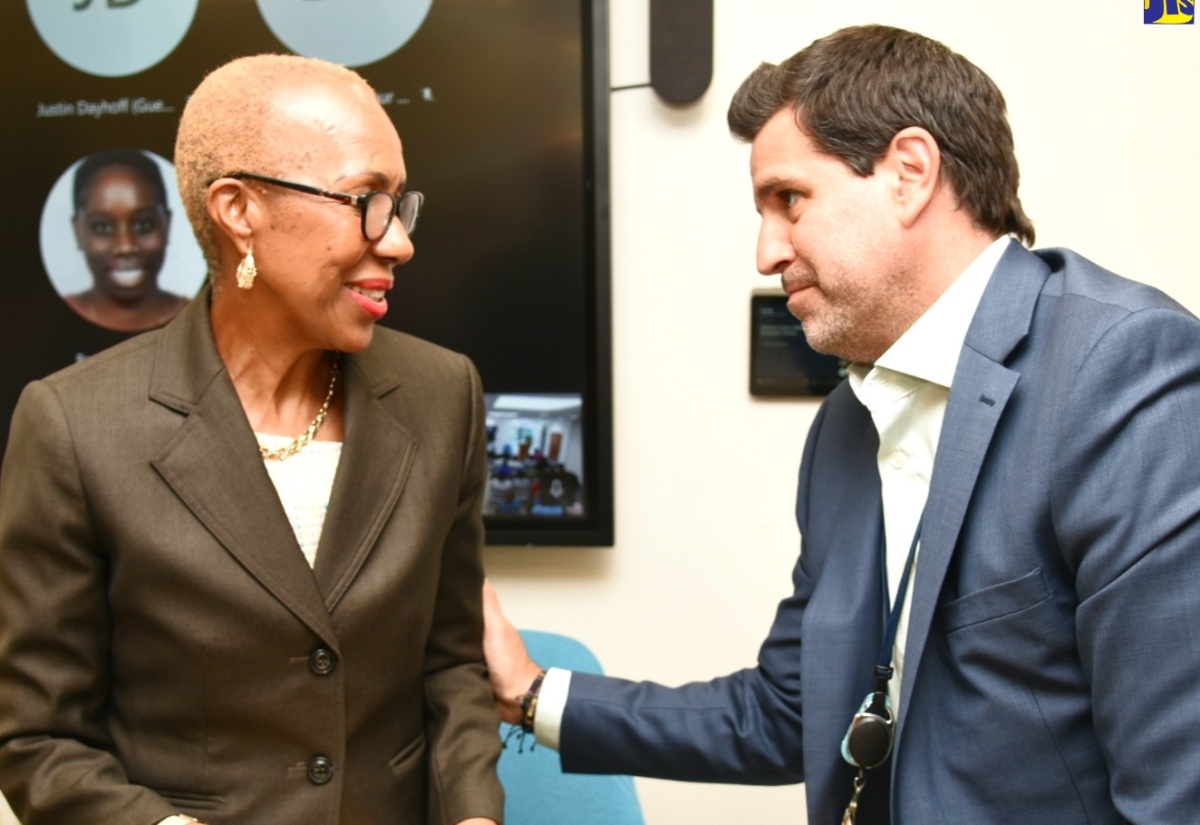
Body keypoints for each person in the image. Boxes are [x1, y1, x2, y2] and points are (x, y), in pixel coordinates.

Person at [482, 23, 1200, 825]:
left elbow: (1179, 789)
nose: (765, 250)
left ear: (909, 173)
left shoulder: (1124, 370)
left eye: (789, 200)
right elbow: (790, 711)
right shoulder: (845, 426)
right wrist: (531, 693)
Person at [0, 55, 503, 825]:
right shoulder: (72, 424)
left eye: (400, 204)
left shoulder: (444, 395)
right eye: (367, 200)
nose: (398, 240)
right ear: (239, 210)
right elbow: (40, 740)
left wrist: (473, 813)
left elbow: (451, 665)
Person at [65, 148, 191, 332]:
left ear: (167, 224)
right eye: (102, 227)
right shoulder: (55, 322)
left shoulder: (200, 317)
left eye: (144, 224)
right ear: (78, 231)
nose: (126, 246)